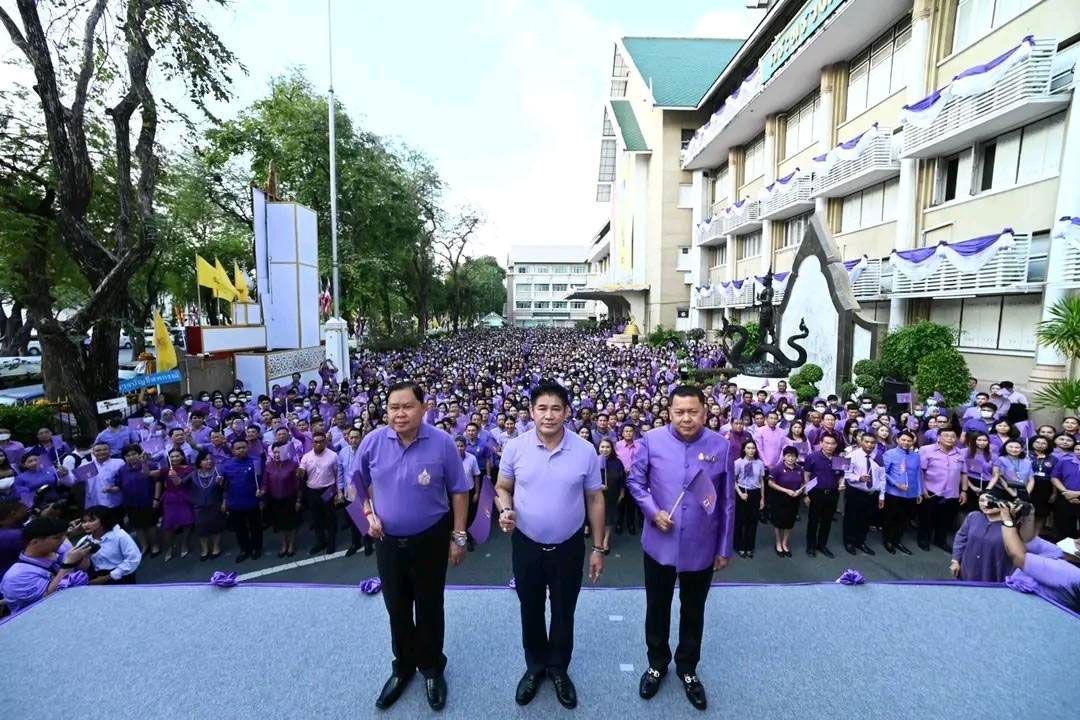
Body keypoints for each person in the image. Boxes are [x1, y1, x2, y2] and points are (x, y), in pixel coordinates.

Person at [357, 381, 470, 712]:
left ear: (424, 407)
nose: (400, 414)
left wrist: (459, 536)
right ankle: (403, 667)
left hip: (430, 538)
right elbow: (356, 483)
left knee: (430, 605)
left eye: (407, 406)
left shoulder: (442, 443)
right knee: (397, 606)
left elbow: (460, 490)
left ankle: (432, 668)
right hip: (388, 542)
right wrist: (368, 513)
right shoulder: (373, 442)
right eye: (393, 407)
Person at [496, 381, 604, 710]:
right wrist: (505, 509)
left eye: (556, 408)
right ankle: (535, 667)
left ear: (567, 412)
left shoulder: (585, 450)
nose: (549, 415)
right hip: (526, 545)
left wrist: (599, 548)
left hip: (569, 547)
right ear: (531, 412)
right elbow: (502, 487)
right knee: (530, 610)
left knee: (563, 612)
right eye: (542, 408)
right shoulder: (515, 448)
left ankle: (558, 669)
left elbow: (595, 499)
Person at [626, 385, 732, 712]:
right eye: (679, 412)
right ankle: (657, 663)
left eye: (693, 412)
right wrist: (651, 510)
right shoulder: (651, 441)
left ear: (705, 411)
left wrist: (724, 547)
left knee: (693, 610)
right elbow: (635, 482)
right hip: (660, 543)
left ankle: (688, 668)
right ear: (669, 411)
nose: (686, 418)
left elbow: (726, 501)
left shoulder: (722, 446)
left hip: (701, 546)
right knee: (657, 607)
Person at [999, 500, 1080, 612]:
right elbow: (1029, 541)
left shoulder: (1071, 574)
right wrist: (1029, 515)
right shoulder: (1062, 554)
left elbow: (1018, 556)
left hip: (1026, 611)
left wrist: (1006, 520)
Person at [0, 516, 92, 612]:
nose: (63, 541)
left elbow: (82, 570)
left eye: (64, 536)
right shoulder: (17, 577)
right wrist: (67, 566)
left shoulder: (55, 551)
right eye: (57, 538)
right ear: (34, 542)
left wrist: (84, 556)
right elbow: (47, 601)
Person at [919, 428, 964, 552]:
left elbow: (963, 473)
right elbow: (921, 471)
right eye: (946, 435)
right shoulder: (926, 450)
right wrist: (922, 488)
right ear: (939, 437)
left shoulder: (959, 453)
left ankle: (940, 540)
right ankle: (924, 539)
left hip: (952, 492)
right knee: (927, 517)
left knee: (945, 519)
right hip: (931, 490)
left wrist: (964, 491)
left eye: (953, 436)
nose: (950, 438)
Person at [950, 494, 1012, 582]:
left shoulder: (1010, 526)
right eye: (981, 500)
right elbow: (961, 538)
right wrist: (955, 560)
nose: (985, 504)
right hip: (967, 571)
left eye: (991, 501)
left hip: (992, 575)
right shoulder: (973, 516)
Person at [220, 439, 263, 562]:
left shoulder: (256, 461)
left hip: (253, 501)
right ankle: (244, 550)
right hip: (235, 503)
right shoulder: (227, 465)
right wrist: (224, 500)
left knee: (256, 527)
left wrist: (262, 498)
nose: (241, 450)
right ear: (233, 450)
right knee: (240, 529)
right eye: (238, 448)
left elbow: (261, 481)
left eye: (243, 447)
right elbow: (225, 485)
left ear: (247, 448)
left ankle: (256, 548)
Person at [298, 432, 341, 555]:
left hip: (328, 489)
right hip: (312, 490)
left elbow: (338, 475)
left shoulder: (333, 456)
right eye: (315, 441)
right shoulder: (306, 457)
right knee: (316, 518)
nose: (318, 444)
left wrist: (338, 492)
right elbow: (302, 471)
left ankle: (331, 542)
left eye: (321, 441)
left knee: (330, 517)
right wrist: (300, 472)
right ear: (312, 443)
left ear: (325, 441)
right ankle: (320, 541)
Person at [802, 435, 844, 558]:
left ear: (836, 445)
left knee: (827, 522)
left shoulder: (839, 459)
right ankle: (810, 546)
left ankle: (822, 545)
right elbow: (806, 476)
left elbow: (841, 475)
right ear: (821, 443)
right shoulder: (812, 457)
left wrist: (841, 483)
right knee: (813, 521)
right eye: (826, 443)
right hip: (816, 493)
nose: (829, 446)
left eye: (832, 443)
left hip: (832, 494)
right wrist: (806, 494)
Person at [842, 432, 884, 555]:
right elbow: (846, 474)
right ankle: (849, 542)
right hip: (856, 492)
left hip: (871, 494)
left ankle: (861, 542)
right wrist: (859, 478)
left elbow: (882, 477)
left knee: (865, 520)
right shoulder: (852, 455)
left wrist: (881, 495)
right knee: (851, 518)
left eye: (872, 442)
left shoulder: (879, 457)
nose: (869, 445)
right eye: (867, 442)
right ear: (861, 442)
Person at [881, 432, 922, 555]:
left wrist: (919, 492)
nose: (906, 443)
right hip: (894, 492)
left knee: (904, 519)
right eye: (903, 440)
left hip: (911, 493)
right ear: (897, 440)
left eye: (909, 441)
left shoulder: (916, 456)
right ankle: (888, 540)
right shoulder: (890, 454)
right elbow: (884, 472)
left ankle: (897, 540)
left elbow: (919, 474)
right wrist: (896, 484)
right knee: (891, 518)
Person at [78, 505, 142, 584]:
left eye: (91, 520)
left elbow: (133, 559)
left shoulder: (119, 535)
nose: (86, 525)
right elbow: (82, 567)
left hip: (121, 577)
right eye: (84, 522)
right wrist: (85, 557)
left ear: (103, 520)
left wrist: (108, 577)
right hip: (96, 579)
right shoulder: (84, 541)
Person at [263, 443, 302, 558]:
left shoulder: (293, 465)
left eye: (279, 452)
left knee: (292, 523)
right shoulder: (269, 466)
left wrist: (299, 500)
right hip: (275, 500)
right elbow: (265, 483)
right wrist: (262, 491)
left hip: (290, 499)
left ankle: (291, 544)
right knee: (280, 525)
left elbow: (298, 484)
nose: (277, 454)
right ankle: (284, 543)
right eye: (275, 452)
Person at [188, 450, 225, 561]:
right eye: (205, 459)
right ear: (199, 462)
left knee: (216, 527)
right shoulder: (194, 474)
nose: (208, 461)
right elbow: (180, 483)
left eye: (210, 459)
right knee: (201, 529)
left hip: (215, 505)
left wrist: (221, 484)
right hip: (199, 507)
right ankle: (204, 549)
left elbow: (226, 489)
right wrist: (174, 476)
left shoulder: (218, 472)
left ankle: (216, 547)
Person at [160, 448, 195, 561]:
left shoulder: (190, 469)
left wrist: (175, 476)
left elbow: (183, 483)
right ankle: (169, 548)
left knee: (187, 524)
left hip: (185, 498)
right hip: (170, 500)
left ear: (182, 457)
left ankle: (184, 545)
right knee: (168, 526)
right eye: (172, 456)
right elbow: (148, 473)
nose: (174, 458)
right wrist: (144, 462)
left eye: (177, 456)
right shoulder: (166, 470)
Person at [732, 439, 765, 558]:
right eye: (748, 448)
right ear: (744, 449)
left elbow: (761, 481)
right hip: (742, 492)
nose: (751, 450)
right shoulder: (738, 462)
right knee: (741, 521)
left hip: (755, 493)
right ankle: (740, 546)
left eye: (753, 448)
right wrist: (740, 493)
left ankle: (750, 546)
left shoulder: (759, 463)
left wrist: (762, 498)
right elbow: (733, 480)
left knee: (753, 522)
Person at [598, 437, 624, 555]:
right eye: (602, 447)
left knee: (610, 518)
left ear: (612, 449)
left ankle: (605, 540)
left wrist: (622, 493)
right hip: (597, 495)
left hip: (612, 494)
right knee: (598, 518)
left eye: (607, 447)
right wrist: (599, 485)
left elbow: (622, 479)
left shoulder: (617, 462)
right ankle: (598, 537)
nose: (605, 449)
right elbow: (587, 479)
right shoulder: (594, 461)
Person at [1050, 442, 1080, 540]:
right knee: (1063, 527)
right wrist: (1065, 492)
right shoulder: (1065, 461)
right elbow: (1054, 477)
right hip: (1065, 497)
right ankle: (1063, 552)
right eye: (1078, 449)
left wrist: (1076, 494)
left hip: (1074, 495)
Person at [1028, 436, 1056, 536]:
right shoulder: (1026, 454)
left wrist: (1054, 493)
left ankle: (1036, 536)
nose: (1040, 445)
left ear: (1048, 445)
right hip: (1028, 485)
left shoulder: (1053, 458)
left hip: (1045, 487)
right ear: (1032, 443)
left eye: (1043, 443)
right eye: (1037, 442)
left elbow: (1055, 477)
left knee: (1041, 513)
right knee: (1026, 512)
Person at [961, 432, 993, 509]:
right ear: (973, 440)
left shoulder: (991, 454)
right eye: (979, 440)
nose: (982, 442)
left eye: (985, 440)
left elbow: (995, 474)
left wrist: (988, 489)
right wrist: (972, 487)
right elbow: (962, 472)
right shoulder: (964, 452)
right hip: (969, 482)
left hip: (986, 484)